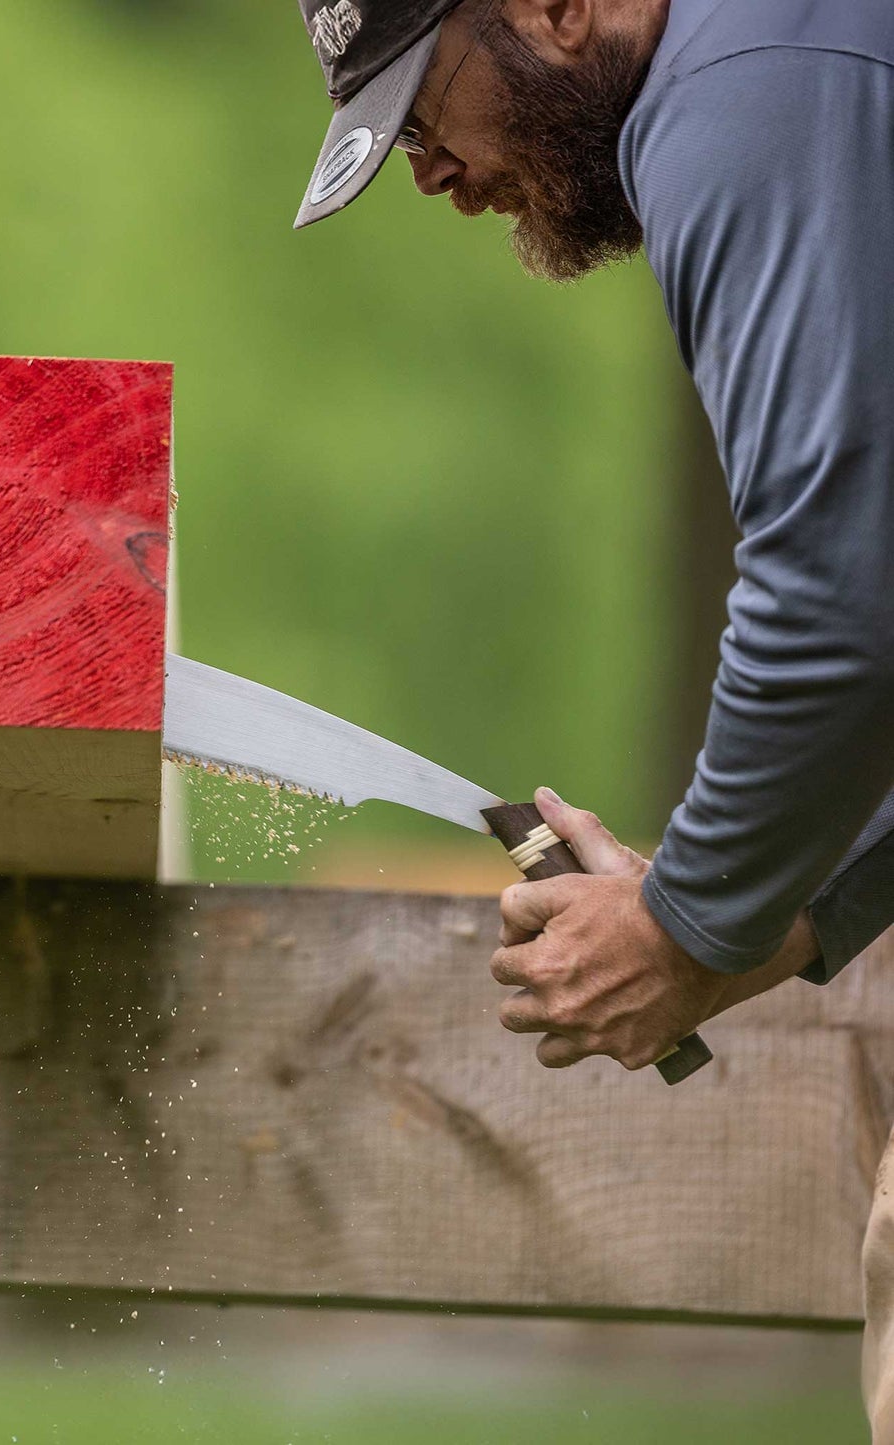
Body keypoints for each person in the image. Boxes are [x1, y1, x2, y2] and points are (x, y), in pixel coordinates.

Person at [291, 0, 894, 1429]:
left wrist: (685, 923)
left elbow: (839, 593)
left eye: (426, 108)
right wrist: (770, 919)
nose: (431, 174)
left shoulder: (738, 98)